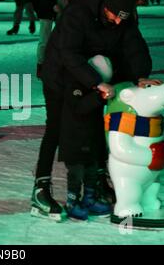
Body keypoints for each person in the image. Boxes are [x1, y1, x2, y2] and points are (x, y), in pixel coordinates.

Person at [31, 0, 161, 220]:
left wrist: (140, 74)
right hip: (60, 76)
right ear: (105, 8)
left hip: (95, 75)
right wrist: (95, 82)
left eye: (124, 18)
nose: (119, 22)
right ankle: (40, 188)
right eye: (115, 16)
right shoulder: (78, 13)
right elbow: (68, 53)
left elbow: (134, 47)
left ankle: (97, 182)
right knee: (56, 129)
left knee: (96, 126)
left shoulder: (123, 17)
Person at [58, 55, 113, 221]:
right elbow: (79, 107)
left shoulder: (93, 87)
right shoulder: (74, 85)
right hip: (74, 138)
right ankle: (72, 202)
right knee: (76, 172)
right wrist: (98, 97)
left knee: (92, 168)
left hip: (90, 136)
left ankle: (89, 199)